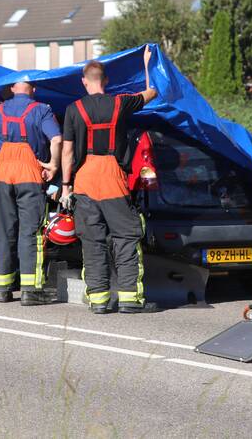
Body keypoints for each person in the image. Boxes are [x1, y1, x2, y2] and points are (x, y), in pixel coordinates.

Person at [60, 46, 158, 314]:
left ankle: (100, 301)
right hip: (113, 178)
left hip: (84, 181)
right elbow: (152, 92)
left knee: (92, 243)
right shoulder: (121, 103)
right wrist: (147, 64)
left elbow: (67, 151)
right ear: (106, 81)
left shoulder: (73, 109)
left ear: (84, 81)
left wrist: (66, 187)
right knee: (126, 237)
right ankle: (129, 299)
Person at [0, 81, 62, 305]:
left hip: (3, 175)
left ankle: (2, 289)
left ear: (12, 89)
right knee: (30, 232)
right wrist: (53, 165)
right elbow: (56, 139)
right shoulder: (41, 109)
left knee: (4, 231)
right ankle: (30, 291)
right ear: (33, 90)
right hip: (30, 174)